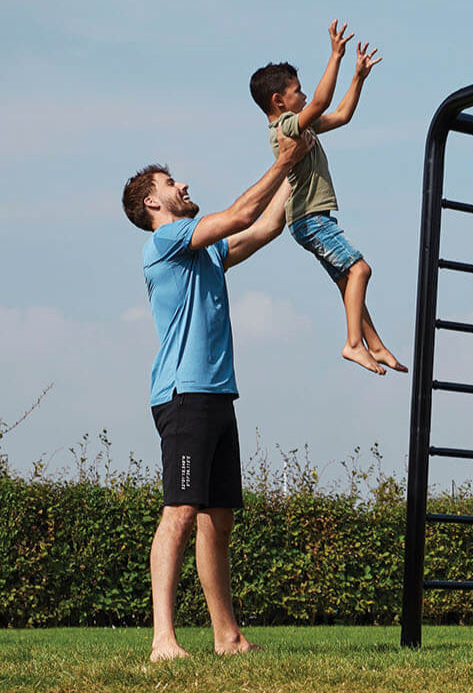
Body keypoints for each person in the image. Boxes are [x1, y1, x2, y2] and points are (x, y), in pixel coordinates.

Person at [121, 129, 312, 660]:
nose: (182, 185)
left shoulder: (202, 252)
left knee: (218, 518)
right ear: (152, 203)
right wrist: (284, 160)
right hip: (183, 395)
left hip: (217, 395)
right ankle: (163, 640)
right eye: (169, 183)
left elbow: (264, 225)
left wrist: (301, 162)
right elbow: (241, 213)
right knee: (180, 511)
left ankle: (227, 637)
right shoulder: (165, 242)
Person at [248, 21, 405, 376]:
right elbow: (321, 102)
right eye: (297, 91)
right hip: (310, 218)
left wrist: (358, 78)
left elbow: (342, 114)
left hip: (315, 218)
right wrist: (336, 56)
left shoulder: (300, 124)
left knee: (348, 282)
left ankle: (375, 345)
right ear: (279, 101)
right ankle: (353, 344)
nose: (304, 96)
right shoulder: (285, 127)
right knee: (360, 269)